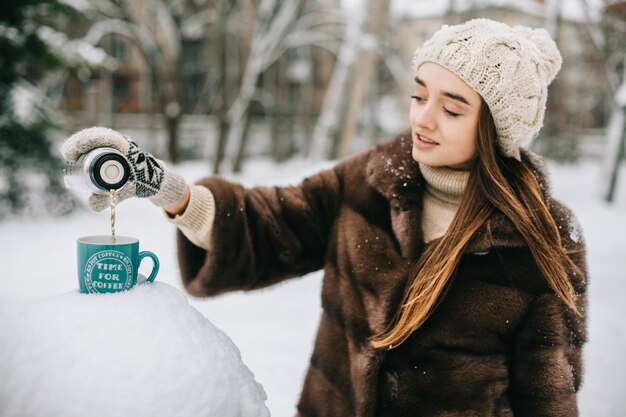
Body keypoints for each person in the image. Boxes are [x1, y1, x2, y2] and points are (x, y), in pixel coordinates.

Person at [62, 18, 587, 417]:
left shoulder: (543, 238)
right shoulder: (372, 180)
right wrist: (167, 189)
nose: (422, 118)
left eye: (452, 109)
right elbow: (269, 225)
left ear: (497, 130)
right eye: (418, 95)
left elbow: (548, 397)